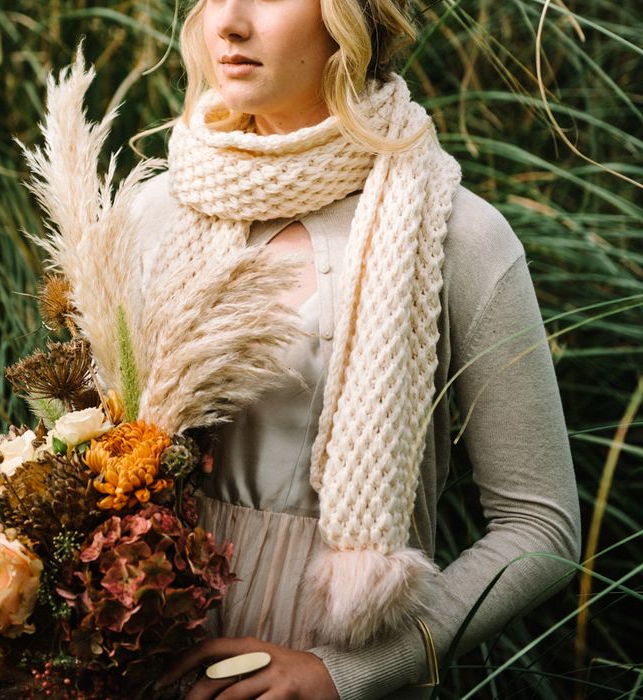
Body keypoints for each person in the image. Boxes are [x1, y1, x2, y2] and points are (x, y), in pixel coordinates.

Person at [133, 0, 582, 697]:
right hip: (145, 654)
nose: (229, 21)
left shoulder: (459, 234)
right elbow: (79, 464)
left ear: (348, 19)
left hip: (341, 664)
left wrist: (344, 675)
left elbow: (541, 528)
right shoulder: (152, 212)